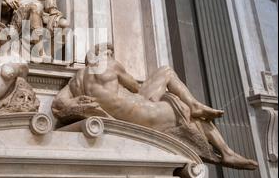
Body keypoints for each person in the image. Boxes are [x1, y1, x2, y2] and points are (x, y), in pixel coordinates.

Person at [52, 44, 259, 170]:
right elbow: (134, 86)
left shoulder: (75, 81)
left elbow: (58, 105)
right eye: (109, 51)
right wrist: (155, 90)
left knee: (176, 100)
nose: (111, 54)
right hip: (143, 112)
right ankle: (224, 148)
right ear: (101, 54)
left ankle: (208, 126)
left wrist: (80, 103)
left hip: (133, 114)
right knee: (168, 74)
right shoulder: (110, 63)